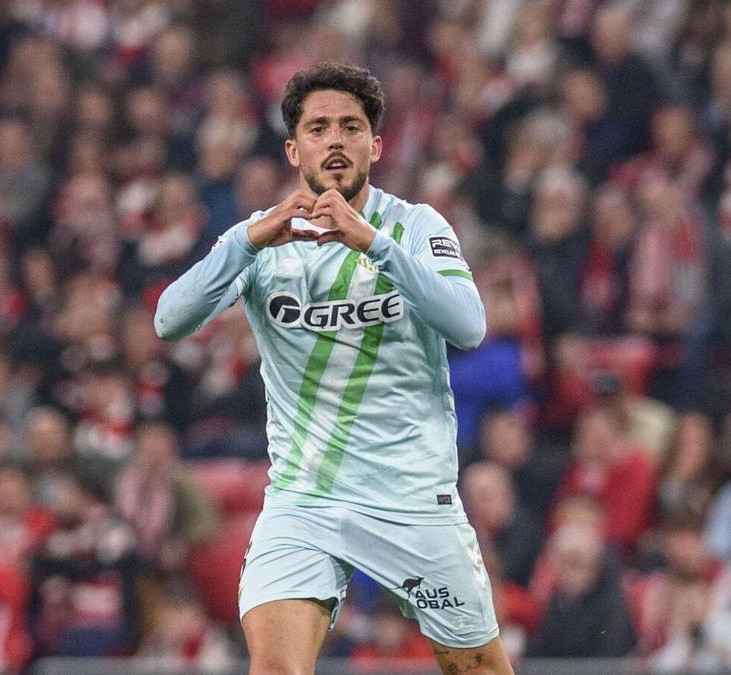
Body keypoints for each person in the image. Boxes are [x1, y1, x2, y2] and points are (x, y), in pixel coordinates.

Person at [155, 62, 512, 674]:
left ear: (375, 145)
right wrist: (244, 243)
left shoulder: (416, 227)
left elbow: (469, 326)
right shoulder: (259, 239)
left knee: (476, 667)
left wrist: (373, 243)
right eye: (318, 128)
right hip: (305, 501)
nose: (336, 139)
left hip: (411, 498)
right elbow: (169, 320)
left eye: (351, 126)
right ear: (295, 149)